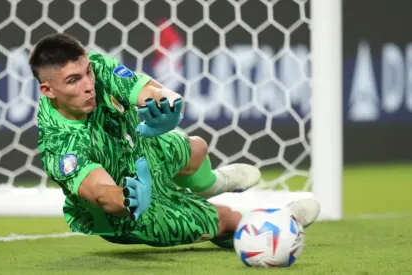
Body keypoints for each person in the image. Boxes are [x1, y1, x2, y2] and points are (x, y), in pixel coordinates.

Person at [31, 33, 320, 248]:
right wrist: (130, 200)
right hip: (130, 215)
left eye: (87, 74)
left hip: (137, 150)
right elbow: (101, 193)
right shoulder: (60, 144)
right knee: (225, 218)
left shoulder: (96, 66)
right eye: (73, 81)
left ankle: (212, 184)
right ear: (48, 90)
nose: (88, 86)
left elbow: (153, 92)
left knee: (197, 148)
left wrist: (169, 107)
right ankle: (281, 227)